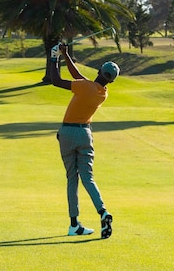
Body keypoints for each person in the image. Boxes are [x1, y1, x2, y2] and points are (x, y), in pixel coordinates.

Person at [50, 42, 119, 239]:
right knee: (88, 178)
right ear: (111, 81)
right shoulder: (101, 92)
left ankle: (74, 224)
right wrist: (65, 54)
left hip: (67, 133)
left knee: (72, 178)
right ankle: (103, 212)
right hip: (85, 135)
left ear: (99, 70)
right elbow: (77, 75)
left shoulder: (85, 87)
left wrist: (54, 56)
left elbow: (55, 80)